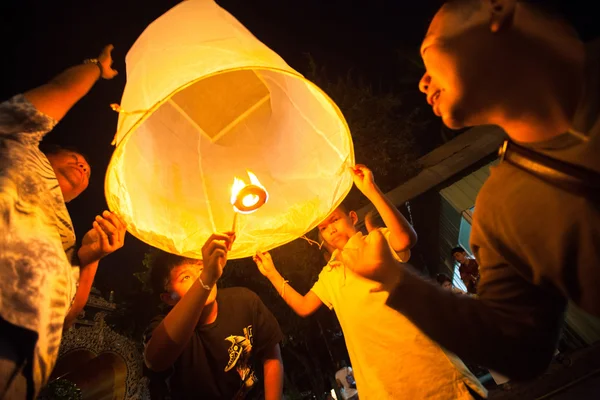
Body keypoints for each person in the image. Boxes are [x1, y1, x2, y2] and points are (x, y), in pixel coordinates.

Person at [347, 0, 600, 380]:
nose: (421, 81)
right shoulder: (500, 210)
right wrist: (395, 279)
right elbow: (520, 347)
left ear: (495, 13)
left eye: (428, 50)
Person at [254, 165, 487, 399]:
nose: (329, 229)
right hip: (381, 382)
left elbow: (406, 238)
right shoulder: (331, 273)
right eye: (323, 228)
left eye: (334, 220)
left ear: (352, 217)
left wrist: (371, 189)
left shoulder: (376, 240)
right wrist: (272, 273)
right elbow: (304, 307)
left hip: (426, 364)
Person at [0, 45, 127, 399]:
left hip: (21, 372)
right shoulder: (15, 145)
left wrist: (91, 258)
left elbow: (66, 318)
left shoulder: (66, 236)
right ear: (47, 152)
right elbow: (58, 91)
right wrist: (96, 68)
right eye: (74, 158)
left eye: (87, 171)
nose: (84, 167)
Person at [143, 232, 284, 400]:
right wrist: (205, 279)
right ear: (168, 298)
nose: (199, 277)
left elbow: (271, 356)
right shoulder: (166, 327)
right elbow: (155, 361)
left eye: (202, 268)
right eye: (186, 277)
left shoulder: (244, 301)